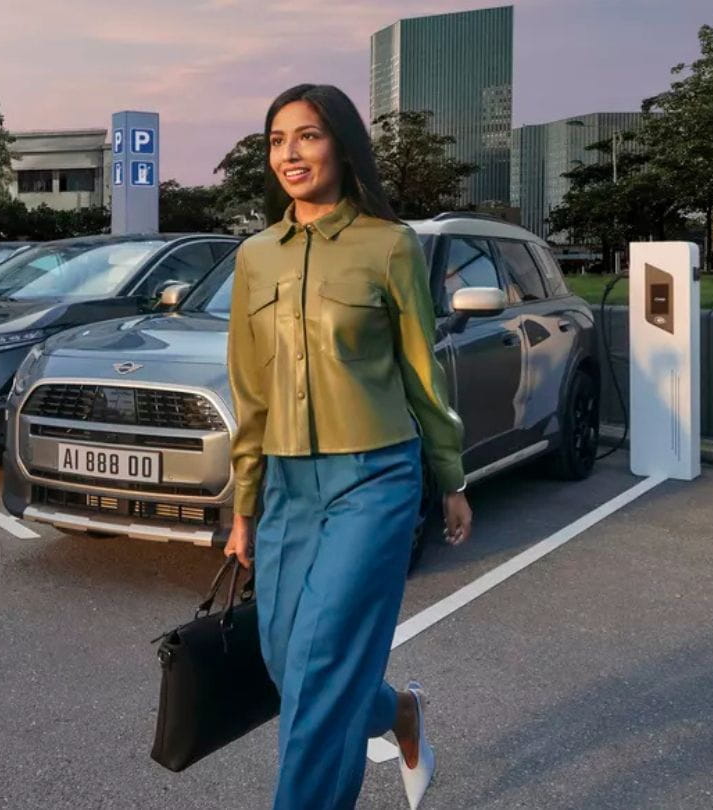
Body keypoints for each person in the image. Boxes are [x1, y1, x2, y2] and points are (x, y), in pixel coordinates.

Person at [222, 83, 472, 810]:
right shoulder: (254, 257)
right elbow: (249, 391)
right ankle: (396, 712)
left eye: (307, 135)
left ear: (341, 145)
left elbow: (422, 370)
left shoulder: (389, 246)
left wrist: (448, 476)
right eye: (277, 139)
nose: (289, 153)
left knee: (323, 663)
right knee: (285, 662)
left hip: (373, 479)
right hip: (286, 487)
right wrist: (244, 503)